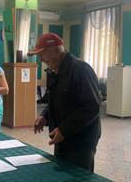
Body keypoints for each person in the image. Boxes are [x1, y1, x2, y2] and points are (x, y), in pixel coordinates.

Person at [28, 33, 101, 172]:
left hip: (81, 140)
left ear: (57, 49)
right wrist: (45, 116)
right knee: (61, 174)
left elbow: (92, 106)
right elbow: (54, 101)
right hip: (61, 137)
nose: (41, 59)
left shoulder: (81, 69)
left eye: (43, 54)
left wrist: (64, 129)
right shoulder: (54, 71)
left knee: (78, 176)